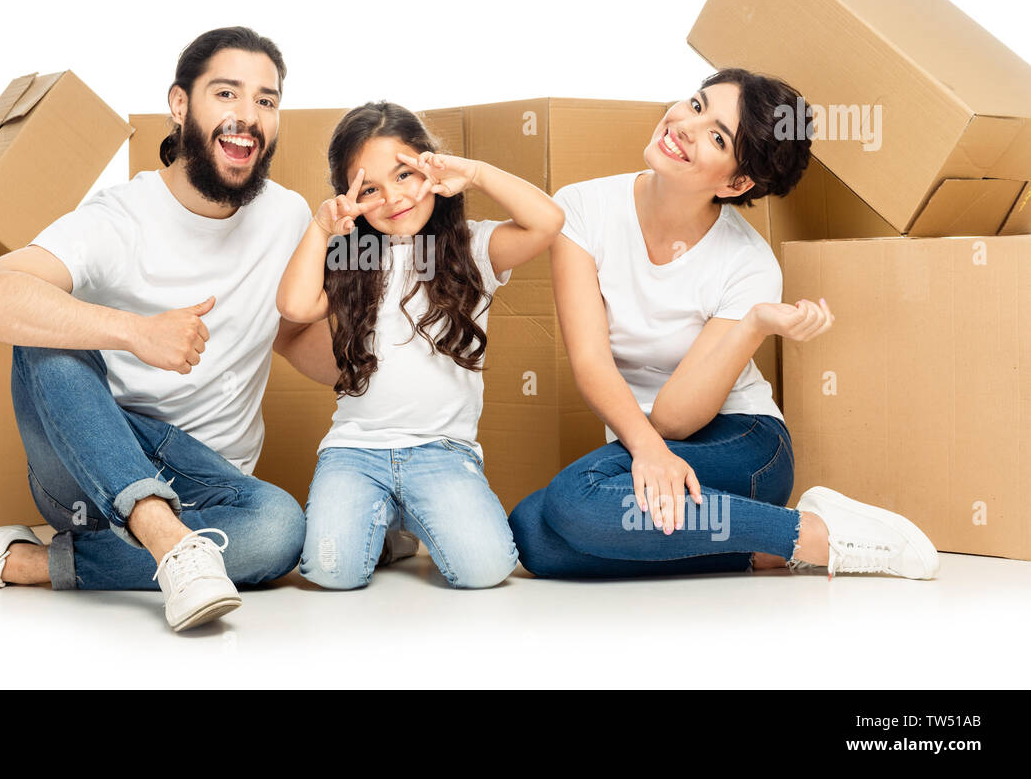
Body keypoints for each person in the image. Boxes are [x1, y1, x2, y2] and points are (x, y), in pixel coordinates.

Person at [0, 26, 339, 632]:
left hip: (210, 486)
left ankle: (24, 562)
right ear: (180, 105)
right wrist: (134, 332)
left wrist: (386, 320)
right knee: (45, 337)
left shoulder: (289, 216)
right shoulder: (118, 219)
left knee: (279, 530)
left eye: (266, 100)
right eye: (226, 94)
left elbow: (294, 339)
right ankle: (165, 540)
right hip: (89, 470)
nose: (247, 116)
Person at [509, 68, 940, 581]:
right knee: (532, 535)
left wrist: (753, 324)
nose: (685, 126)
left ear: (736, 183)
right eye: (696, 104)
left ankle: (820, 540)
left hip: (743, 450)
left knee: (575, 502)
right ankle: (767, 544)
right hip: (644, 447)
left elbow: (672, 419)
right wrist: (648, 452)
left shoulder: (749, 264)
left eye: (716, 136)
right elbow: (590, 360)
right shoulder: (581, 208)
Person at [278, 101, 563, 589]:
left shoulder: (470, 248)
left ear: (431, 166)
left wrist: (471, 171)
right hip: (356, 452)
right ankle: (388, 527)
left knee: (486, 569)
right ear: (351, 196)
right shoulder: (351, 253)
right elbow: (295, 307)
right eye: (370, 188)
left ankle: (409, 514)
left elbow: (547, 221)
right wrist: (323, 227)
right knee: (331, 571)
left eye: (405, 174)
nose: (392, 198)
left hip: (443, 450)